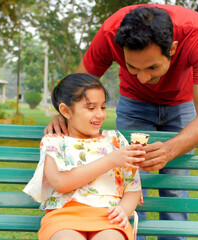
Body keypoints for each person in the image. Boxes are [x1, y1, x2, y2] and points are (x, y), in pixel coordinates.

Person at [44, 4, 198, 240]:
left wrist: (170, 149)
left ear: (173, 49)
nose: (145, 78)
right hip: (134, 104)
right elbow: (78, 86)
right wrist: (65, 112)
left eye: (153, 67)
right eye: (132, 67)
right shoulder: (110, 34)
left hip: (181, 103)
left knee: (175, 187)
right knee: (132, 183)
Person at [24, 73, 145, 240]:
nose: (100, 114)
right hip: (64, 217)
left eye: (102, 107)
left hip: (109, 217)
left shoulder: (116, 141)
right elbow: (61, 183)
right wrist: (110, 160)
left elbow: (133, 188)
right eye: (91, 108)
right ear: (66, 111)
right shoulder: (54, 142)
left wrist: (123, 209)